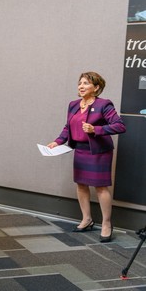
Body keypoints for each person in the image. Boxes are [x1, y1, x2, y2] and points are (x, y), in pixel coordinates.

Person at [47, 71, 126, 243]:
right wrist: (57, 142)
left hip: (99, 152)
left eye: (86, 83)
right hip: (80, 150)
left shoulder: (104, 104)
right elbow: (67, 128)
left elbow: (120, 126)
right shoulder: (73, 105)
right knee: (81, 185)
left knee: (100, 188)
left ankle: (106, 223)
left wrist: (95, 129)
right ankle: (87, 219)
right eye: (80, 83)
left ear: (96, 87)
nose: (81, 86)